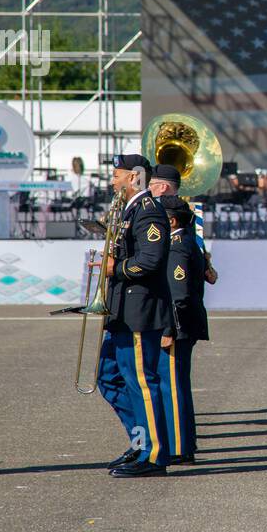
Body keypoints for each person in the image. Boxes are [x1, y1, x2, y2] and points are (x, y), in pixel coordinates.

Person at [99, 154, 173, 478]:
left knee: (142, 383)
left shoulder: (148, 212)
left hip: (140, 311)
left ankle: (153, 454)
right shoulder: (128, 213)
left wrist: (117, 267)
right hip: (122, 311)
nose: (112, 181)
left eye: (117, 175)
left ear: (134, 178)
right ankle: (140, 440)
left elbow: (151, 261)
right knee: (109, 377)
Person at [158, 196, 208, 466]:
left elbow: (179, 296)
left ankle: (179, 446)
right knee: (175, 385)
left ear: (172, 221)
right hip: (181, 324)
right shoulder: (184, 241)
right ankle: (182, 442)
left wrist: (168, 329)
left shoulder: (178, 247)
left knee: (173, 387)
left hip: (178, 326)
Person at [148, 163, 218, 286]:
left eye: (151, 184)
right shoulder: (185, 209)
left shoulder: (155, 208)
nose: (148, 188)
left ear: (163, 187)